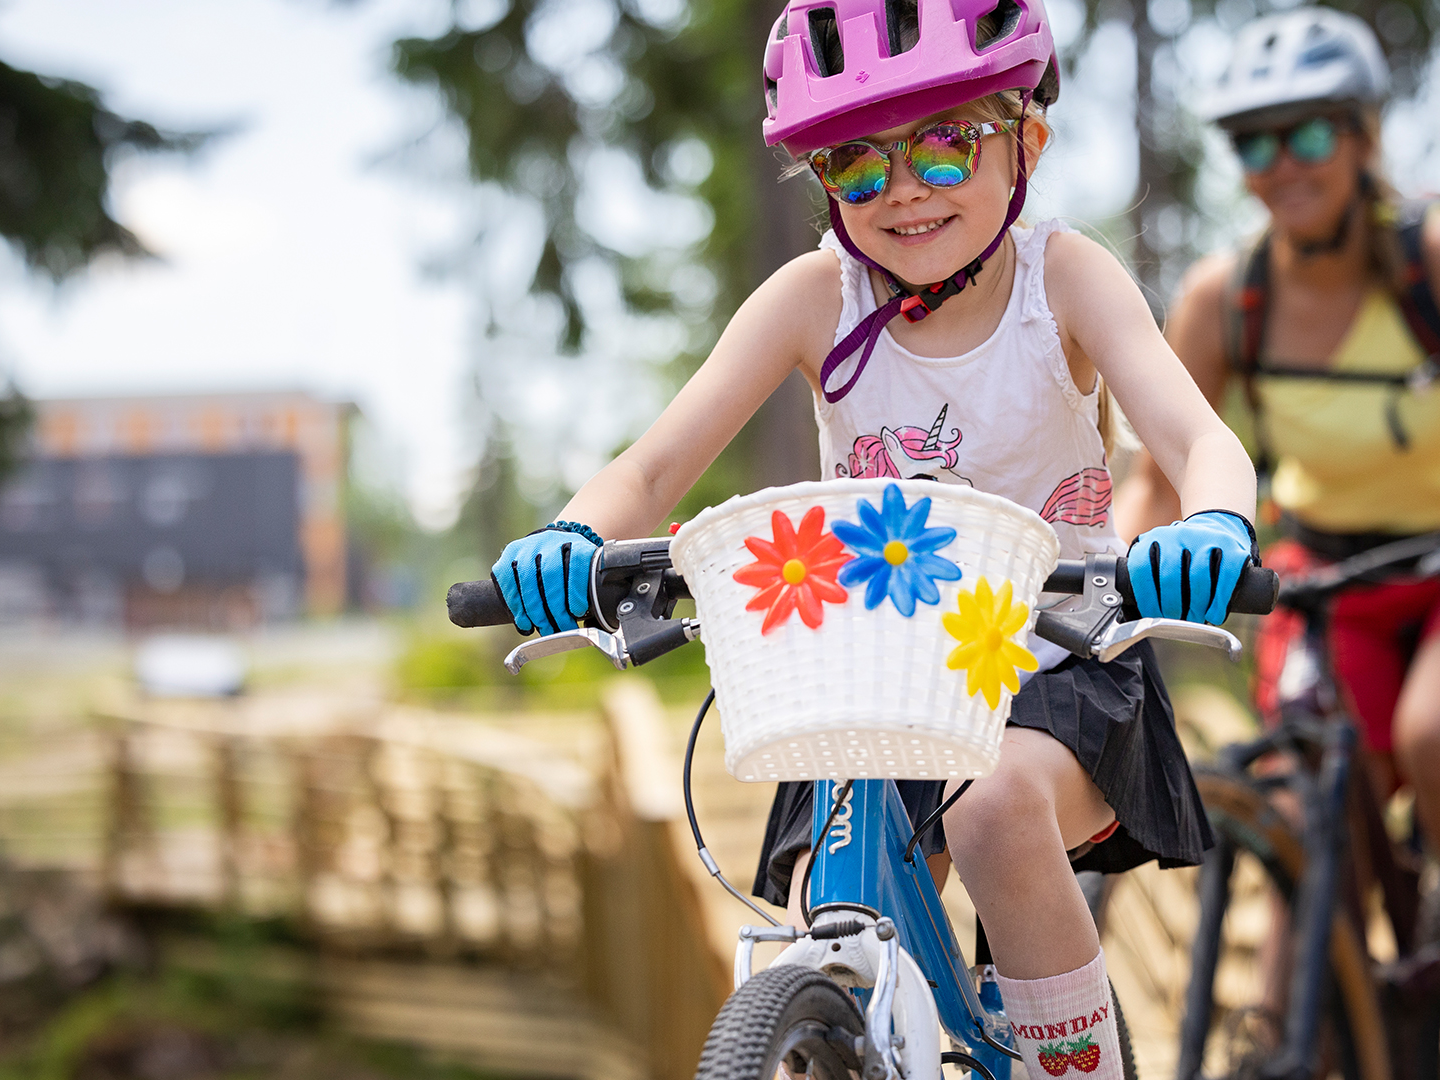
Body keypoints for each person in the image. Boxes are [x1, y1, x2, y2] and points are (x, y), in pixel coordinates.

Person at [489, 0, 1260, 1074]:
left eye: (945, 145)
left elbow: (1198, 439)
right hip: (872, 674)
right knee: (827, 897)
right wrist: (569, 536)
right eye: (855, 164)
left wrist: (1215, 520)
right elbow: (654, 468)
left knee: (990, 812)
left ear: (1025, 144)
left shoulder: (1063, 281)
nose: (902, 188)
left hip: (1057, 661)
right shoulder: (817, 294)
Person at [1112, 9, 1440, 1079]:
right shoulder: (1227, 297)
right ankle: (1301, 1037)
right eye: (1254, 142)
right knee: (1313, 814)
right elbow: (1153, 476)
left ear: (1361, 137)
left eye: (1307, 135)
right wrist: (1116, 569)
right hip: (1332, 577)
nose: (1281, 166)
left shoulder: (1434, 253)